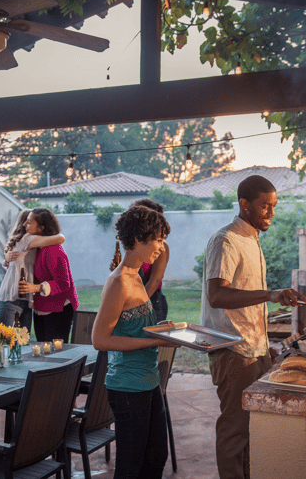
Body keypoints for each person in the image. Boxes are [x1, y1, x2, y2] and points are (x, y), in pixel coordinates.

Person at [201, 175, 306, 479]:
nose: (271, 213)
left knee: (254, 430)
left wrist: (265, 346)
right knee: (235, 431)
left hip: (254, 349)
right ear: (244, 205)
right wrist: (271, 294)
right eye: (265, 206)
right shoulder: (226, 240)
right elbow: (217, 295)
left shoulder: (252, 240)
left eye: (274, 206)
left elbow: (246, 301)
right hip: (233, 351)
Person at [93, 205, 176, 479]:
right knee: (131, 467)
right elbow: (100, 339)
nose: (161, 247)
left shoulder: (136, 276)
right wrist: (151, 341)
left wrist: (161, 330)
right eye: (158, 239)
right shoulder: (119, 281)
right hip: (127, 387)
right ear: (139, 239)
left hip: (147, 381)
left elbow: (134, 327)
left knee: (156, 457)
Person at [0, 210, 65, 332]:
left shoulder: (28, 244)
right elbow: (60, 238)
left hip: (25, 300)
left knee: (22, 342)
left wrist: (6, 259)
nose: (25, 225)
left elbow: (11, 266)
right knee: (1, 340)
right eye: (26, 221)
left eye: (30, 222)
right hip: (11, 299)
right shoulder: (27, 239)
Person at [18, 208, 78, 342]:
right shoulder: (37, 247)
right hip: (42, 306)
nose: (24, 225)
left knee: (55, 353)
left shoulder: (53, 250)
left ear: (41, 228)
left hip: (59, 308)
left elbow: (64, 283)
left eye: (29, 223)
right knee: (43, 350)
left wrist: (35, 288)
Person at [110, 199, 170, 322]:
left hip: (152, 297)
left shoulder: (161, 248)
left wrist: (137, 306)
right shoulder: (139, 247)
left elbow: (155, 280)